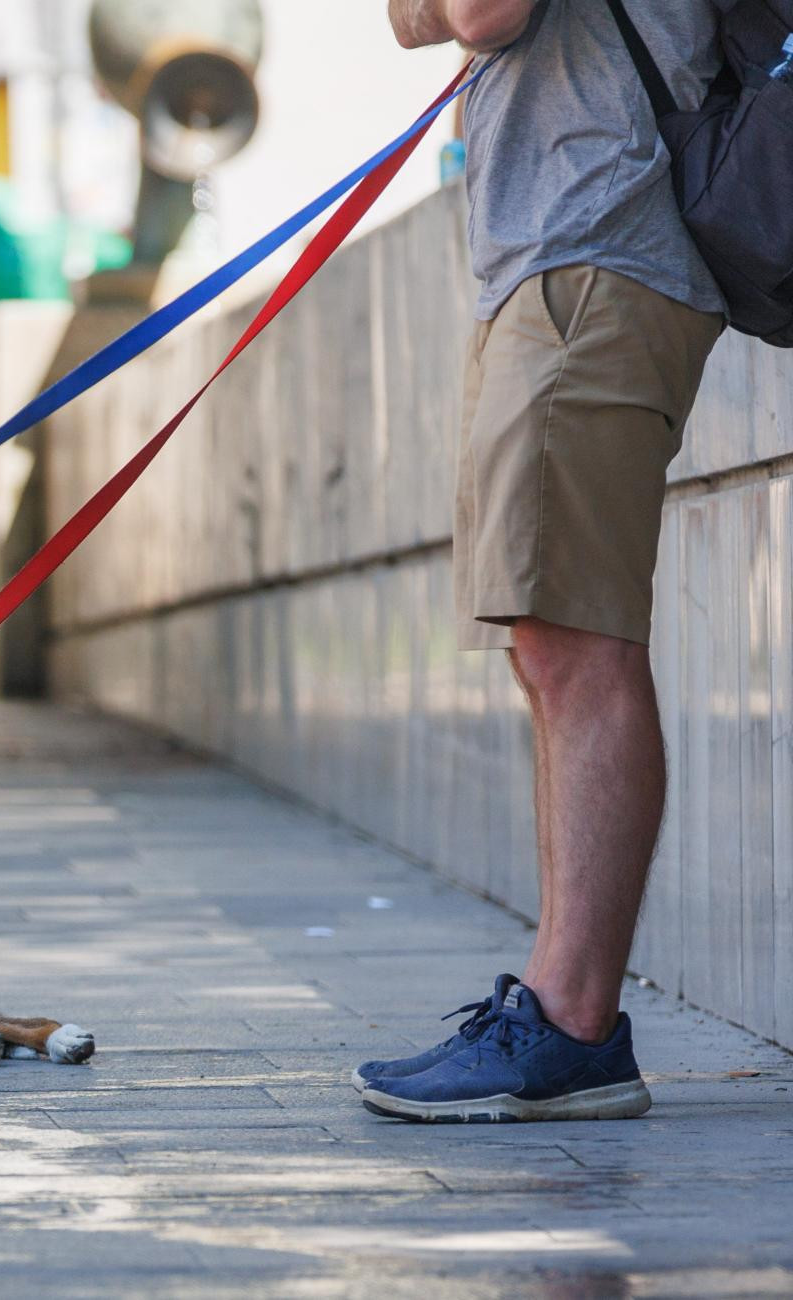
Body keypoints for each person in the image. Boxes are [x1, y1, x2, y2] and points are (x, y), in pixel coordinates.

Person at [358, 0, 727, 1122]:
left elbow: (480, 10)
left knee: (577, 647)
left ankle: (572, 1026)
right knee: (552, 648)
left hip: (594, 245)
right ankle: (561, 1011)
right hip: (564, 255)